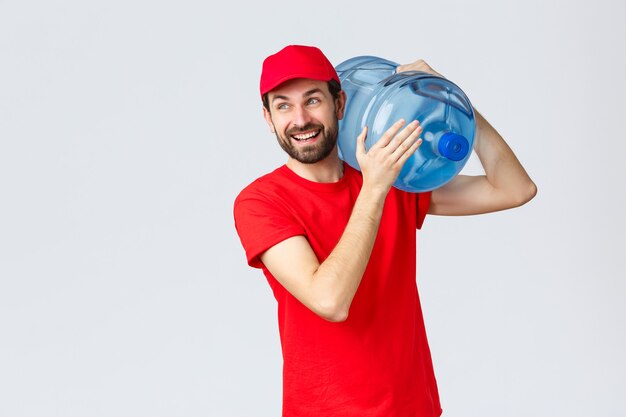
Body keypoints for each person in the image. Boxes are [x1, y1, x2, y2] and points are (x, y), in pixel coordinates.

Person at [233, 45, 536, 417]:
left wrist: (456, 103)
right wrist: (375, 187)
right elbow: (330, 301)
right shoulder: (262, 201)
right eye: (283, 106)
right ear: (268, 118)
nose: (300, 119)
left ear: (340, 104)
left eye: (313, 100)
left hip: (413, 408)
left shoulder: (394, 178)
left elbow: (514, 189)